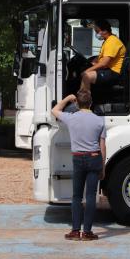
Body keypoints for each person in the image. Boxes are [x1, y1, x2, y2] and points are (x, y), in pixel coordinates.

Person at [51, 90, 106, 241]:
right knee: (90, 196)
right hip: (94, 158)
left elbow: (54, 110)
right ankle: (87, 232)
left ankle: (75, 231)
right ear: (91, 103)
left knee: (76, 196)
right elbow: (102, 146)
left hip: (78, 158)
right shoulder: (100, 120)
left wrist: (68, 98)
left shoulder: (71, 118)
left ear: (77, 103)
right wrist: (103, 167)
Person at [80, 19, 126, 92]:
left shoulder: (112, 41)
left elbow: (104, 63)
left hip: (113, 72)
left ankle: (84, 101)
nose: (96, 34)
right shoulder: (107, 41)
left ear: (104, 31)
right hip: (107, 69)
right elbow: (99, 58)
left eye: (97, 31)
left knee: (86, 76)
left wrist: (87, 71)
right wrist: (90, 64)